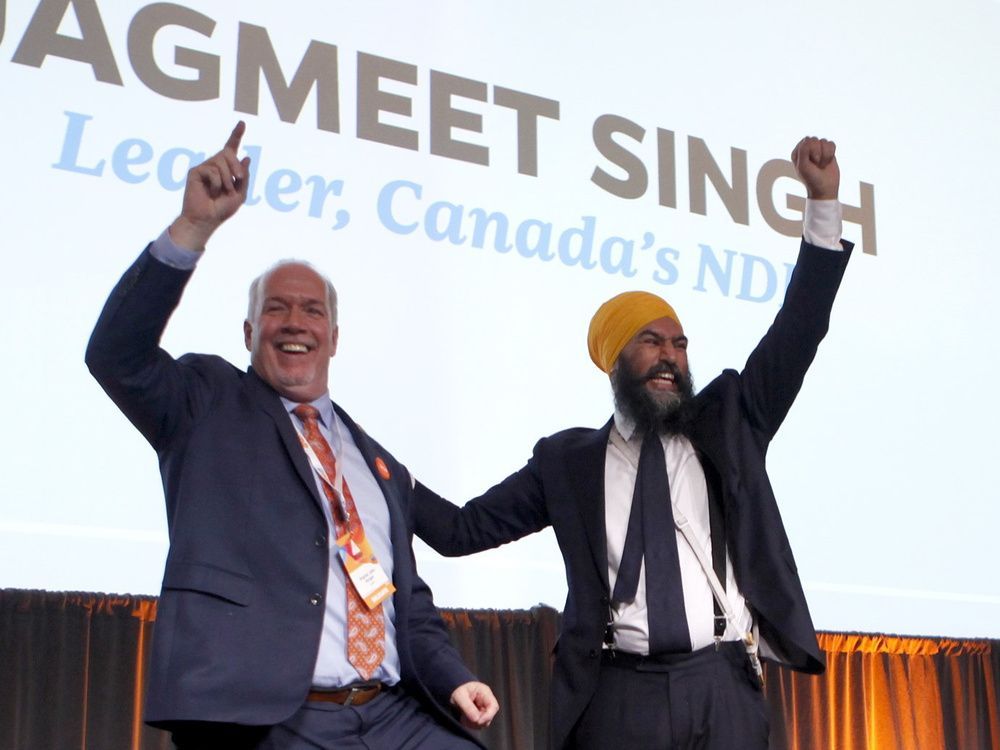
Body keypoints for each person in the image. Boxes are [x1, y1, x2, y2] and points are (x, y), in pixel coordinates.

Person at [412, 136, 852, 749]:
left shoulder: (731, 420)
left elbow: (799, 328)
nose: (670, 356)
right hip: (619, 691)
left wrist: (823, 203)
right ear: (614, 358)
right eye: (651, 341)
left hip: (721, 683)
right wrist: (377, 471)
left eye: (679, 344)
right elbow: (460, 531)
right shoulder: (565, 463)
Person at [86, 122, 499, 750]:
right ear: (248, 333)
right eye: (276, 308)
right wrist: (192, 229)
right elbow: (116, 355)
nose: (294, 322)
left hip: (389, 714)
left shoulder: (373, 461)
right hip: (269, 716)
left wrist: (451, 678)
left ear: (334, 337)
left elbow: (404, 596)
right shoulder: (207, 403)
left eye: (312, 311)